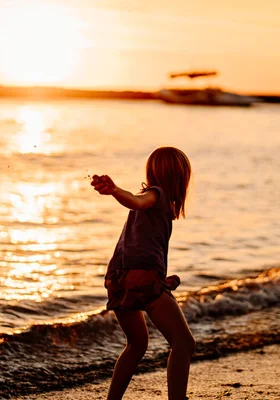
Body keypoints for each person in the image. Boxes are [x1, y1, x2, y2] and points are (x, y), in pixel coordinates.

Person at [90, 146, 195, 400]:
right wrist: (114, 190)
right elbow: (136, 200)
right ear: (179, 177)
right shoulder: (155, 195)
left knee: (136, 345)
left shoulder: (155, 201)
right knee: (184, 344)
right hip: (142, 278)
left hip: (117, 279)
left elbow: (137, 202)